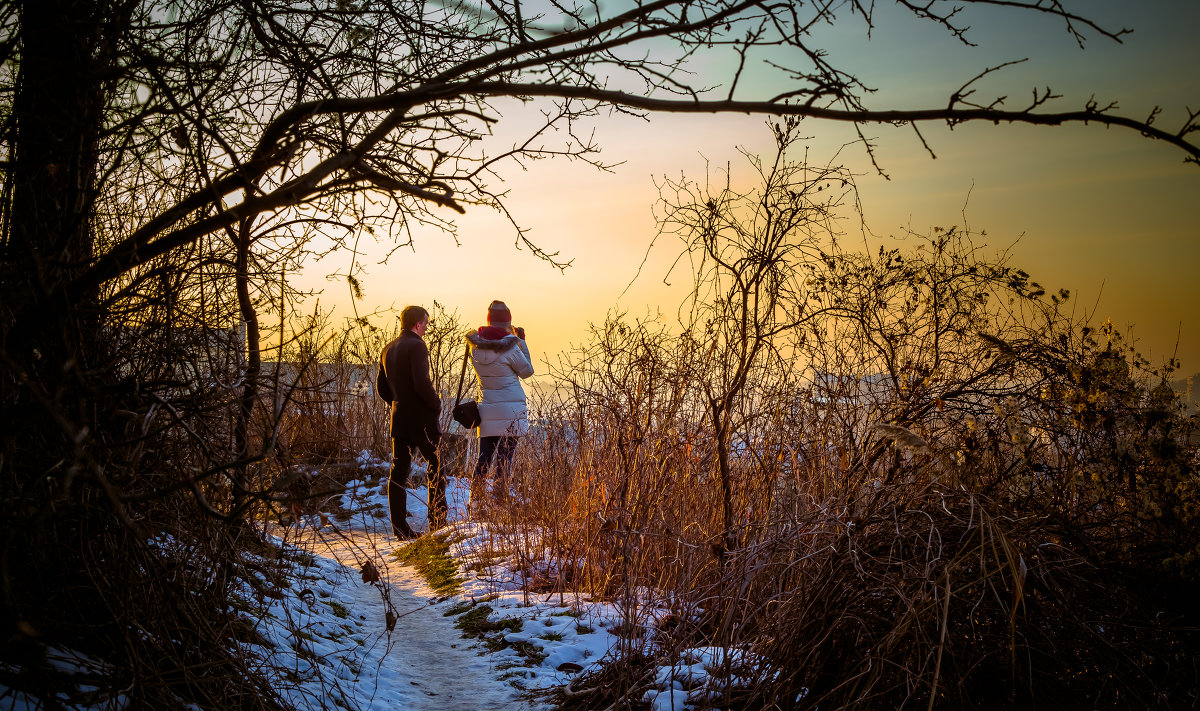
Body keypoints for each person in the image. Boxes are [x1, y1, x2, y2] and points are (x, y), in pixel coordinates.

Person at [377, 305, 447, 536]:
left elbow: (382, 389)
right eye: (426, 323)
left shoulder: (388, 349)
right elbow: (421, 383)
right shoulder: (417, 346)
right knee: (436, 467)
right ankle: (437, 522)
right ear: (418, 324)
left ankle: (400, 528)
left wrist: (399, 404)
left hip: (399, 420)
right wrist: (436, 403)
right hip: (422, 421)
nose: (426, 328)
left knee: (399, 471)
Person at [466, 300, 534, 506]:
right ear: (507, 322)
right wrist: (521, 342)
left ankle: (476, 500)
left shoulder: (474, 348)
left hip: (486, 409)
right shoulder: (512, 347)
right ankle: (499, 499)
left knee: (484, 457)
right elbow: (527, 371)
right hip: (511, 410)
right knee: (505, 459)